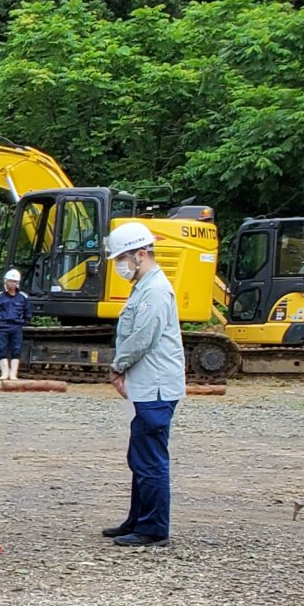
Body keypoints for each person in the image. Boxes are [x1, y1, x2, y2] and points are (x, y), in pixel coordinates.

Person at [104, 221, 185, 546]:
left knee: (150, 458)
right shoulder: (145, 286)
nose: (119, 265)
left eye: (122, 258)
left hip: (156, 388)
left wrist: (117, 366)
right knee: (141, 455)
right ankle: (138, 519)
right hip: (148, 386)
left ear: (140, 254)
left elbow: (141, 338)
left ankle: (153, 528)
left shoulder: (154, 290)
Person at [0, 267, 31, 382]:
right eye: (11, 281)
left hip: (16, 327)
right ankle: (5, 373)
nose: (13, 283)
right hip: (3, 327)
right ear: (6, 281)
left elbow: (28, 313)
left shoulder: (23, 297)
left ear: (18, 283)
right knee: (2, 349)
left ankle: (13, 374)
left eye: (15, 281)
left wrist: (22, 323)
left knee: (16, 349)